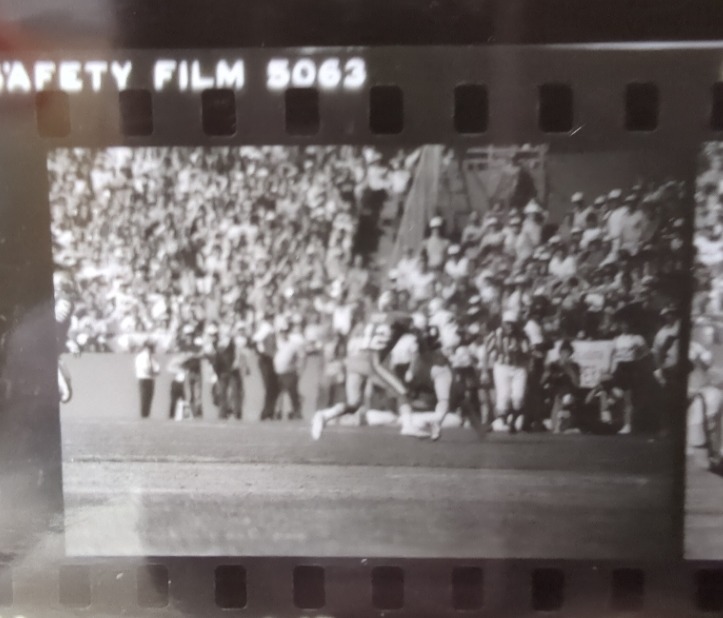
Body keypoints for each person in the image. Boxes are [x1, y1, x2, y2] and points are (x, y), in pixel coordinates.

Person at [311, 296, 429, 440]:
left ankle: (324, 415)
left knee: (354, 404)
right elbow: (413, 326)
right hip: (372, 360)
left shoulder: (371, 316)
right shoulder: (400, 317)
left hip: (355, 360)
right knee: (402, 391)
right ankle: (408, 426)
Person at [486, 311, 531, 433]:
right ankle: (501, 420)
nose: (510, 326)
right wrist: (485, 370)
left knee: (518, 397)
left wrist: (519, 352)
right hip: (502, 367)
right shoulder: (496, 335)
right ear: (503, 324)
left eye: (512, 324)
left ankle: (514, 419)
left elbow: (528, 353)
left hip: (519, 367)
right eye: (507, 323)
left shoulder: (522, 336)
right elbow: (487, 351)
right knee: (503, 396)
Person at [273, 320, 306, 420]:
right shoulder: (275, 343)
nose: (284, 334)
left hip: (289, 372)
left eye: (285, 332)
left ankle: (295, 412)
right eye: (282, 332)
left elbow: (302, 357)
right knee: (278, 394)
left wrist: (299, 369)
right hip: (277, 372)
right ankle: (277, 412)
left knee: (292, 393)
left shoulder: (293, 344)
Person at [135, 339, 160, 419]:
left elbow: (157, 368)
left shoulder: (152, 357)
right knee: (144, 398)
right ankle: (144, 416)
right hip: (144, 379)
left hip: (150, 379)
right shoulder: (141, 356)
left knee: (149, 398)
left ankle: (147, 415)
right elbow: (146, 369)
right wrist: (153, 372)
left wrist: (154, 372)